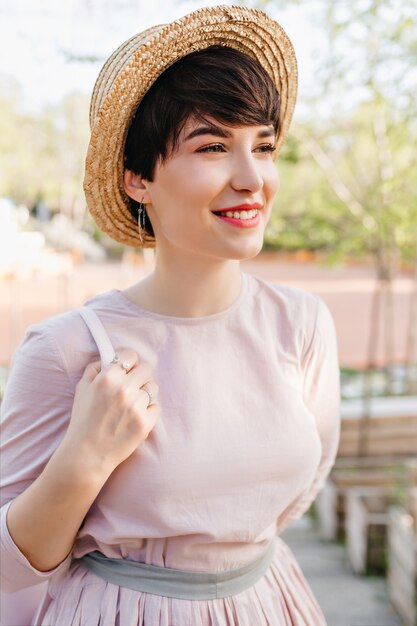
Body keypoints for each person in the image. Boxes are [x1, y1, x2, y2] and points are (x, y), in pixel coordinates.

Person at [0, 5, 340, 625]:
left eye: (262, 147)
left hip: (273, 602)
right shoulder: (66, 350)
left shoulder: (303, 323)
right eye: (213, 146)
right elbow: (6, 566)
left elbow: (299, 489)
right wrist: (85, 457)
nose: (251, 179)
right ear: (137, 179)